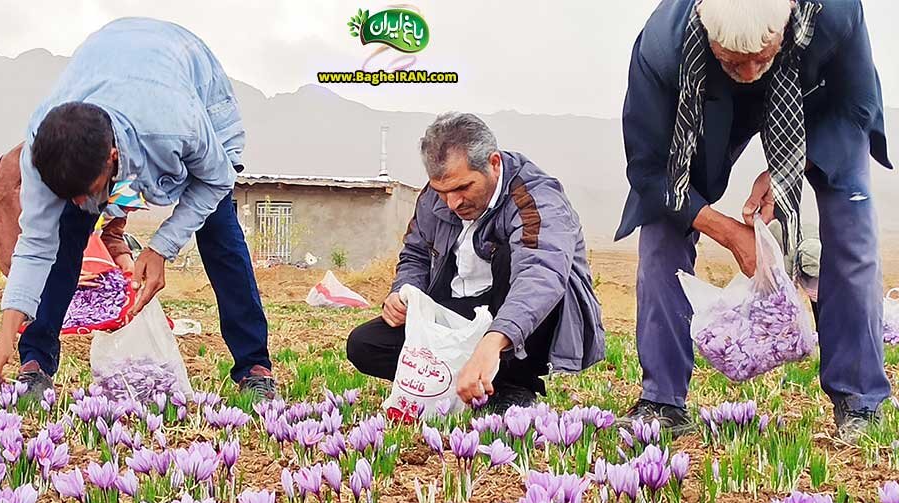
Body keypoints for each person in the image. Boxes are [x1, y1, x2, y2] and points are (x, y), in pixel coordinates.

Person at [617, 0, 891, 439]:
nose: (748, 73)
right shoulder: (662, 47)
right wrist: (726, 232)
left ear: (784, 24)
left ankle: (861, 400)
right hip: (704, 101)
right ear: (707, 32)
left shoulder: (834, 13)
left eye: (760, 58)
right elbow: (649, 169)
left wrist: (788, 169)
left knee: (851, 223)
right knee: (663, 230)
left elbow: (854, 107)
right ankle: (662, 401)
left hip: (816, 102)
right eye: (734, 61)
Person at [0, 18, 276, 399]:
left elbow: (216, 179)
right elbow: (35, 246)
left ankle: (254, 366)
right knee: (66, 234)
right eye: (70, 194)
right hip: (109, 59)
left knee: (219, 231)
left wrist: (161, 246)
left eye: (88, 191)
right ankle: (35, 363)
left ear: (113, 158)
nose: (83, 203)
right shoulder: (42, 153)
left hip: (183, 67)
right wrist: (5, 337)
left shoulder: (179, 126)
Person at [346, 112, 605, 411]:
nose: (452, 203)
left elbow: (540, 276)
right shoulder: (434, 196)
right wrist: (403, 292)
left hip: (515, 316)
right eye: (443, 192)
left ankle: (514, 384)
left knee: (513, 261)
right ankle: (455, 381)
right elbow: (415, 254)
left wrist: (494, 341)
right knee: (365, 345)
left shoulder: (535, 196)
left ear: (493, 164)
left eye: (463, 188)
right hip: (459, 310)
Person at [0, 143, 138, 282]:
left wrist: (123, 258)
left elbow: (108, 230)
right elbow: (8, 233)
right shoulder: (28, 172)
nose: (129, 210)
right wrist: (56, 273)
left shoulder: (120, 168)